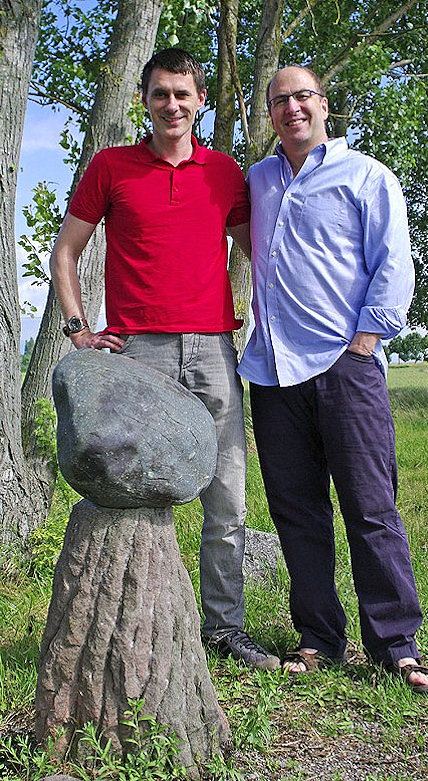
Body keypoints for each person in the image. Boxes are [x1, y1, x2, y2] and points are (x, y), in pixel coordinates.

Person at [50, 48, 279, 671]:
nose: (171, 105)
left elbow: (260, 252)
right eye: (160, 94)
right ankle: (141, 626)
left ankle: (222, 628)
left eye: (183, 93)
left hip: (212, 349)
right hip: (136, 355)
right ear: (145, 101)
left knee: (226, 493)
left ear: (200, 101)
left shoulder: (225, 173)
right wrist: (78, 331)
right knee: (135, 496)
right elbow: (66, 251)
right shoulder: (111, 167)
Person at [238, 65, 428, 692]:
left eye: (303, 97)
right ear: (269, 114)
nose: (292, 109)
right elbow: (247, 246)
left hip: (345, 367)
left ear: (324, 106)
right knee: (297, 511)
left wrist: (366, 341)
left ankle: (396, 645)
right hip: (272, 372)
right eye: (280, 101)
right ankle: (319, 637)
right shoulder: (259, 181)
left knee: (371, 507)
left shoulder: (366, 176)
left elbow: (392, 263)